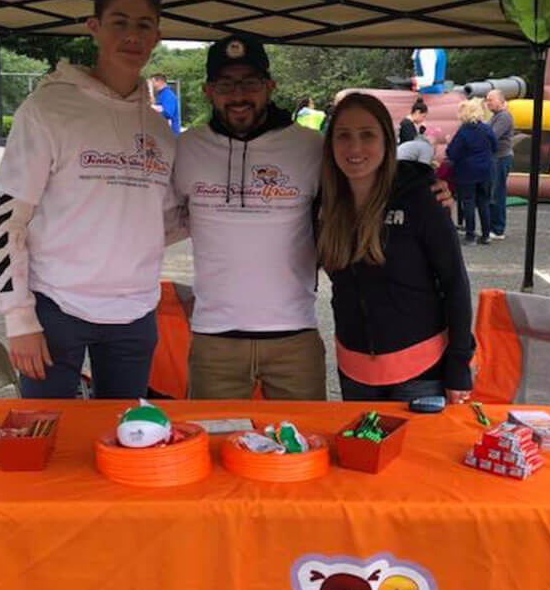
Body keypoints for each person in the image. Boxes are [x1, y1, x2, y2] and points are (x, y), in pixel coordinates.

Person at [172, 37, 452, 401]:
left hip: (294, 338)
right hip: (214, 339)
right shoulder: (185, 148)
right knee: (213, 450)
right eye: (226, 85)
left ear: (270, 86)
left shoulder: (309, 146)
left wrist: (424, 185)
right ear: (208, 91)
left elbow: (364, 173)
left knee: (302, 452)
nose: (238, 95)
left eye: (250, 83)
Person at [0, 0, 175, 399]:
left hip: (135, 313)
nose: (132, 35)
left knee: (126, 438)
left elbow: (163, 220)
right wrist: (19, 320)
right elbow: (7, 221)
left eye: (144, 25)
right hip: (56, 309)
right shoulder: (49, 109)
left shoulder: (160, 131)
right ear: (94, 27)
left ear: (157, 35)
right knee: (45, 438)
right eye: (119, 22)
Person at [317, 92, 475, 404]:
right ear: (330, 143)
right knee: (358, 453)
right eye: (343, 136)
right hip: (355, 369)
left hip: (421, 372)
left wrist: (459, 364)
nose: (355, 147)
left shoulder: (421, 196)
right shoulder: (324, 202)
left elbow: (455, 282)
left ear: (388, 142)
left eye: (367, 135)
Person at [446, 98, 497, 245]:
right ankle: (486, 235)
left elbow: (452, 153)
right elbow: (494, 146)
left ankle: (470, 235)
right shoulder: (487, 128)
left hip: (467, 171)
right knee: (484, 202)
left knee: (468, 202)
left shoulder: (463, 131)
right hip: (486, 170)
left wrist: (450, 145)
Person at [486, 89, 515, 240]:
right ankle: (494, 226)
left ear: (500, 100)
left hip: (501, 158)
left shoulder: (503, 117)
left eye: (490, 100)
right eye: (487, 100)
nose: (488, 103)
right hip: (496, 158)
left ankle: (498, 229)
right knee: (494, 192)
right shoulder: (496, 116)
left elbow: (492, 136)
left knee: (497, 193)